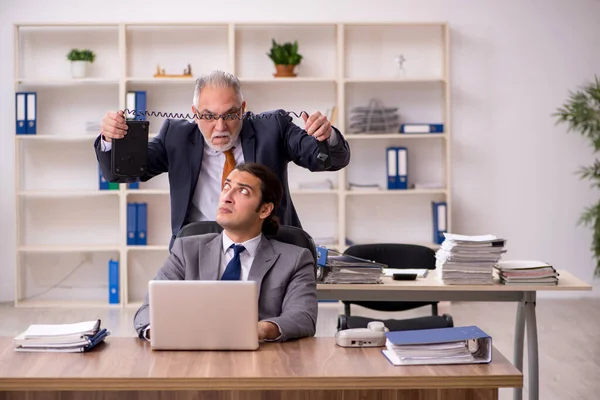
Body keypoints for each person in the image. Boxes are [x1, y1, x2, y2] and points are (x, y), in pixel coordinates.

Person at [95, 70, 351, 251]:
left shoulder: (273, 127)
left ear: (243, 109)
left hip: (269, 250)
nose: (220, 127)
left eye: (229, 114)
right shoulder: (176, 136)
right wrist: (110, 138)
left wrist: (326, 137)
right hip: (199, 250)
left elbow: (328, 160)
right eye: (208, 116)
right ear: (194, 113)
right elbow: (120, 174)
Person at [133, 162, 318, 343]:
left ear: (264, 209)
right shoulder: (186, 250)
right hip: (193, 357)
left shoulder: (295, 258)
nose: (227, 197)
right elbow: (148, 310)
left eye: (243, 191)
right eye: (226, 187)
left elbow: (303, 316)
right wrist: (156, 331)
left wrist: (262, 329)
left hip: (263, 360)